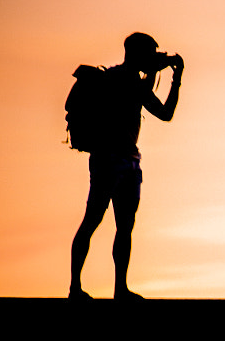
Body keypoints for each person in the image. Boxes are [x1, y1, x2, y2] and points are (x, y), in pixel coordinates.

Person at [69, 32, 183, 301]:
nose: (154, 59)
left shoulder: (130, 80)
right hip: (109, 159)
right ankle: (76, 288)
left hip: (129, 161)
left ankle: (119, 288)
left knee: (124, 226)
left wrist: (172, 78)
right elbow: (162, 110)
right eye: (150, 54)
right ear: (137, 54)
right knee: (93, 221)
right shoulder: (119, 79)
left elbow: (164, 114)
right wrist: (168, 74)